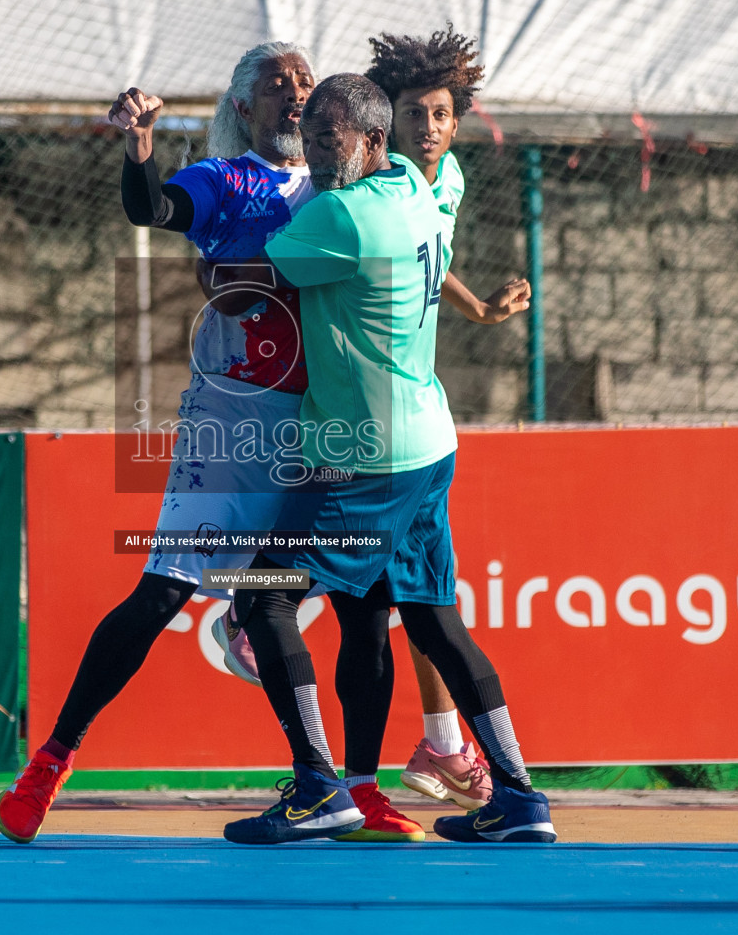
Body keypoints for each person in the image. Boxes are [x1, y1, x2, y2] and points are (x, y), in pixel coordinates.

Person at [0, 43, 519, 844]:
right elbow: (151, 212)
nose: (298, 96)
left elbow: (404, 243)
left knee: (363, 610)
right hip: (233, 421)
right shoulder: (224, 179)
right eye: (279, 87)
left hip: (326, 422)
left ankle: (354, 786)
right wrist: (138, 151)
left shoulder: (343, 172)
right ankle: (50, 764)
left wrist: (470, 303)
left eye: (307, 83)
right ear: (243, 109)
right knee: (167, 588)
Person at [222, 74, 554, 845]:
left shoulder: (339, 216)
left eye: (328, 135)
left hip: (361, 459)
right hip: (429, 447)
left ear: (371, 141)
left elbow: (246, 287)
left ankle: (317, 788)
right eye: (308, 132)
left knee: (261, 597)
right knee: (425, 620)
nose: (312, 147)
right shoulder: (415, 186)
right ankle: (519, 796)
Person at [366, 25, 517, 810]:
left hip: (415, 406)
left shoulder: (446, 179)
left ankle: (443, 745)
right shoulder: (370, 181)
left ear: (457, 122)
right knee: (405, 585)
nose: (427, 126)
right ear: (387, 119)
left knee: (421, 592)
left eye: (440, 113)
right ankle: (252, 609)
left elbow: (434, 257)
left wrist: (479, 309)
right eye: (413, 112)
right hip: (366, 404)